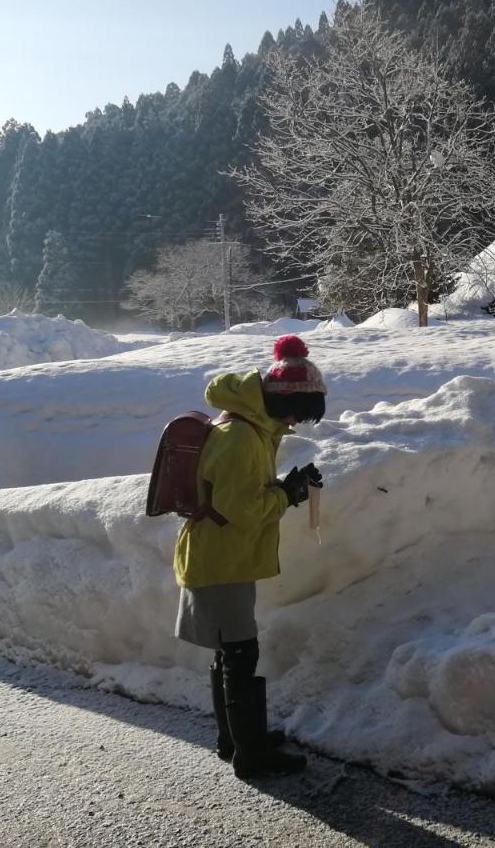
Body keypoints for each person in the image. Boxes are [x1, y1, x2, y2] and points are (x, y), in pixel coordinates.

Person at [173, 334, 326, 779]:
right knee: (240, 653)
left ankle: (236, 739)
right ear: (279, 402)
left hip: (225, 557)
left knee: (232, 652)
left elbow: (242, 493)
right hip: (221, 560)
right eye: (299, 412)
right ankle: (250, 753)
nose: (298, 422)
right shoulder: (241, 437)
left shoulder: (252, 429)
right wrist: (287, 494)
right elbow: (242, 511)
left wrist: (284, 485)